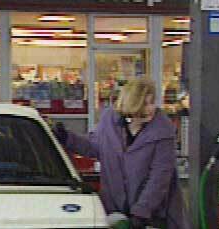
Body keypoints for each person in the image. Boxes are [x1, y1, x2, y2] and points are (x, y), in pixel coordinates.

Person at [54, 78, 189, 229]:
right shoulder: (110, 122)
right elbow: (95, 147)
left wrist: (141, 212)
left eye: (152, 102)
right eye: (146, 103)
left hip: (154, 214)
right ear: (133, 102)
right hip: (115, 209)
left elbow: (160, 177)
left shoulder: (163, 131)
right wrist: (67, 138)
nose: (152, 108)